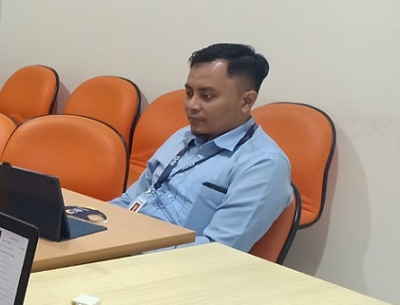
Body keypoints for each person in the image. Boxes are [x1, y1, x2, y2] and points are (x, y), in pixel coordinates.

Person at [111, 43, 293, 251]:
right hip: (125, 241)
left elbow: (216, 249)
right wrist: (94, 226)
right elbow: (130, 200)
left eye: (207, 96)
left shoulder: (263, 164)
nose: (192, 105)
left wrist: (132, 247)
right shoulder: (182, 136)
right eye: (189, 93)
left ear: (246, 101)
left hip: (167, 262)